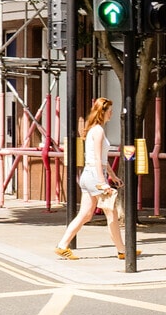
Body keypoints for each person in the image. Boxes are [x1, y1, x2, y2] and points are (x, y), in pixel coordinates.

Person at [54, 98, 126, 261]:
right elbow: (96, 160)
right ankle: (122, 251)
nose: (112, 114)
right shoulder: (99, 131)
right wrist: (103, 182)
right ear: (103, 112)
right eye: (110, 111)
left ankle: (62, 245)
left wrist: (113, 176)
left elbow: (100, 158)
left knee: (85, 214)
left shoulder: (94, 129)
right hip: (95, 176)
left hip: (88, 175)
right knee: (111, 214)